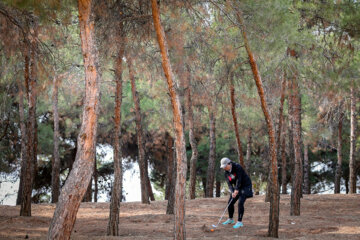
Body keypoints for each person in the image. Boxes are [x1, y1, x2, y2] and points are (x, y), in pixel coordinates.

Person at [220, 157, 253, 229]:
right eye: (223, 167)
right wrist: (232, 192)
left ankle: (239, 222)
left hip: (245, 186)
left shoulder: (237, 167)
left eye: (225, 166)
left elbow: (239, 179)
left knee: (240, 202)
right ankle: (230, 219)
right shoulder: (226, 173)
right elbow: (229, 184)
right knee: (230, 202)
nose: (224, 168)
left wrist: (236, 189)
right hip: (237, 187)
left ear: (229, 164)